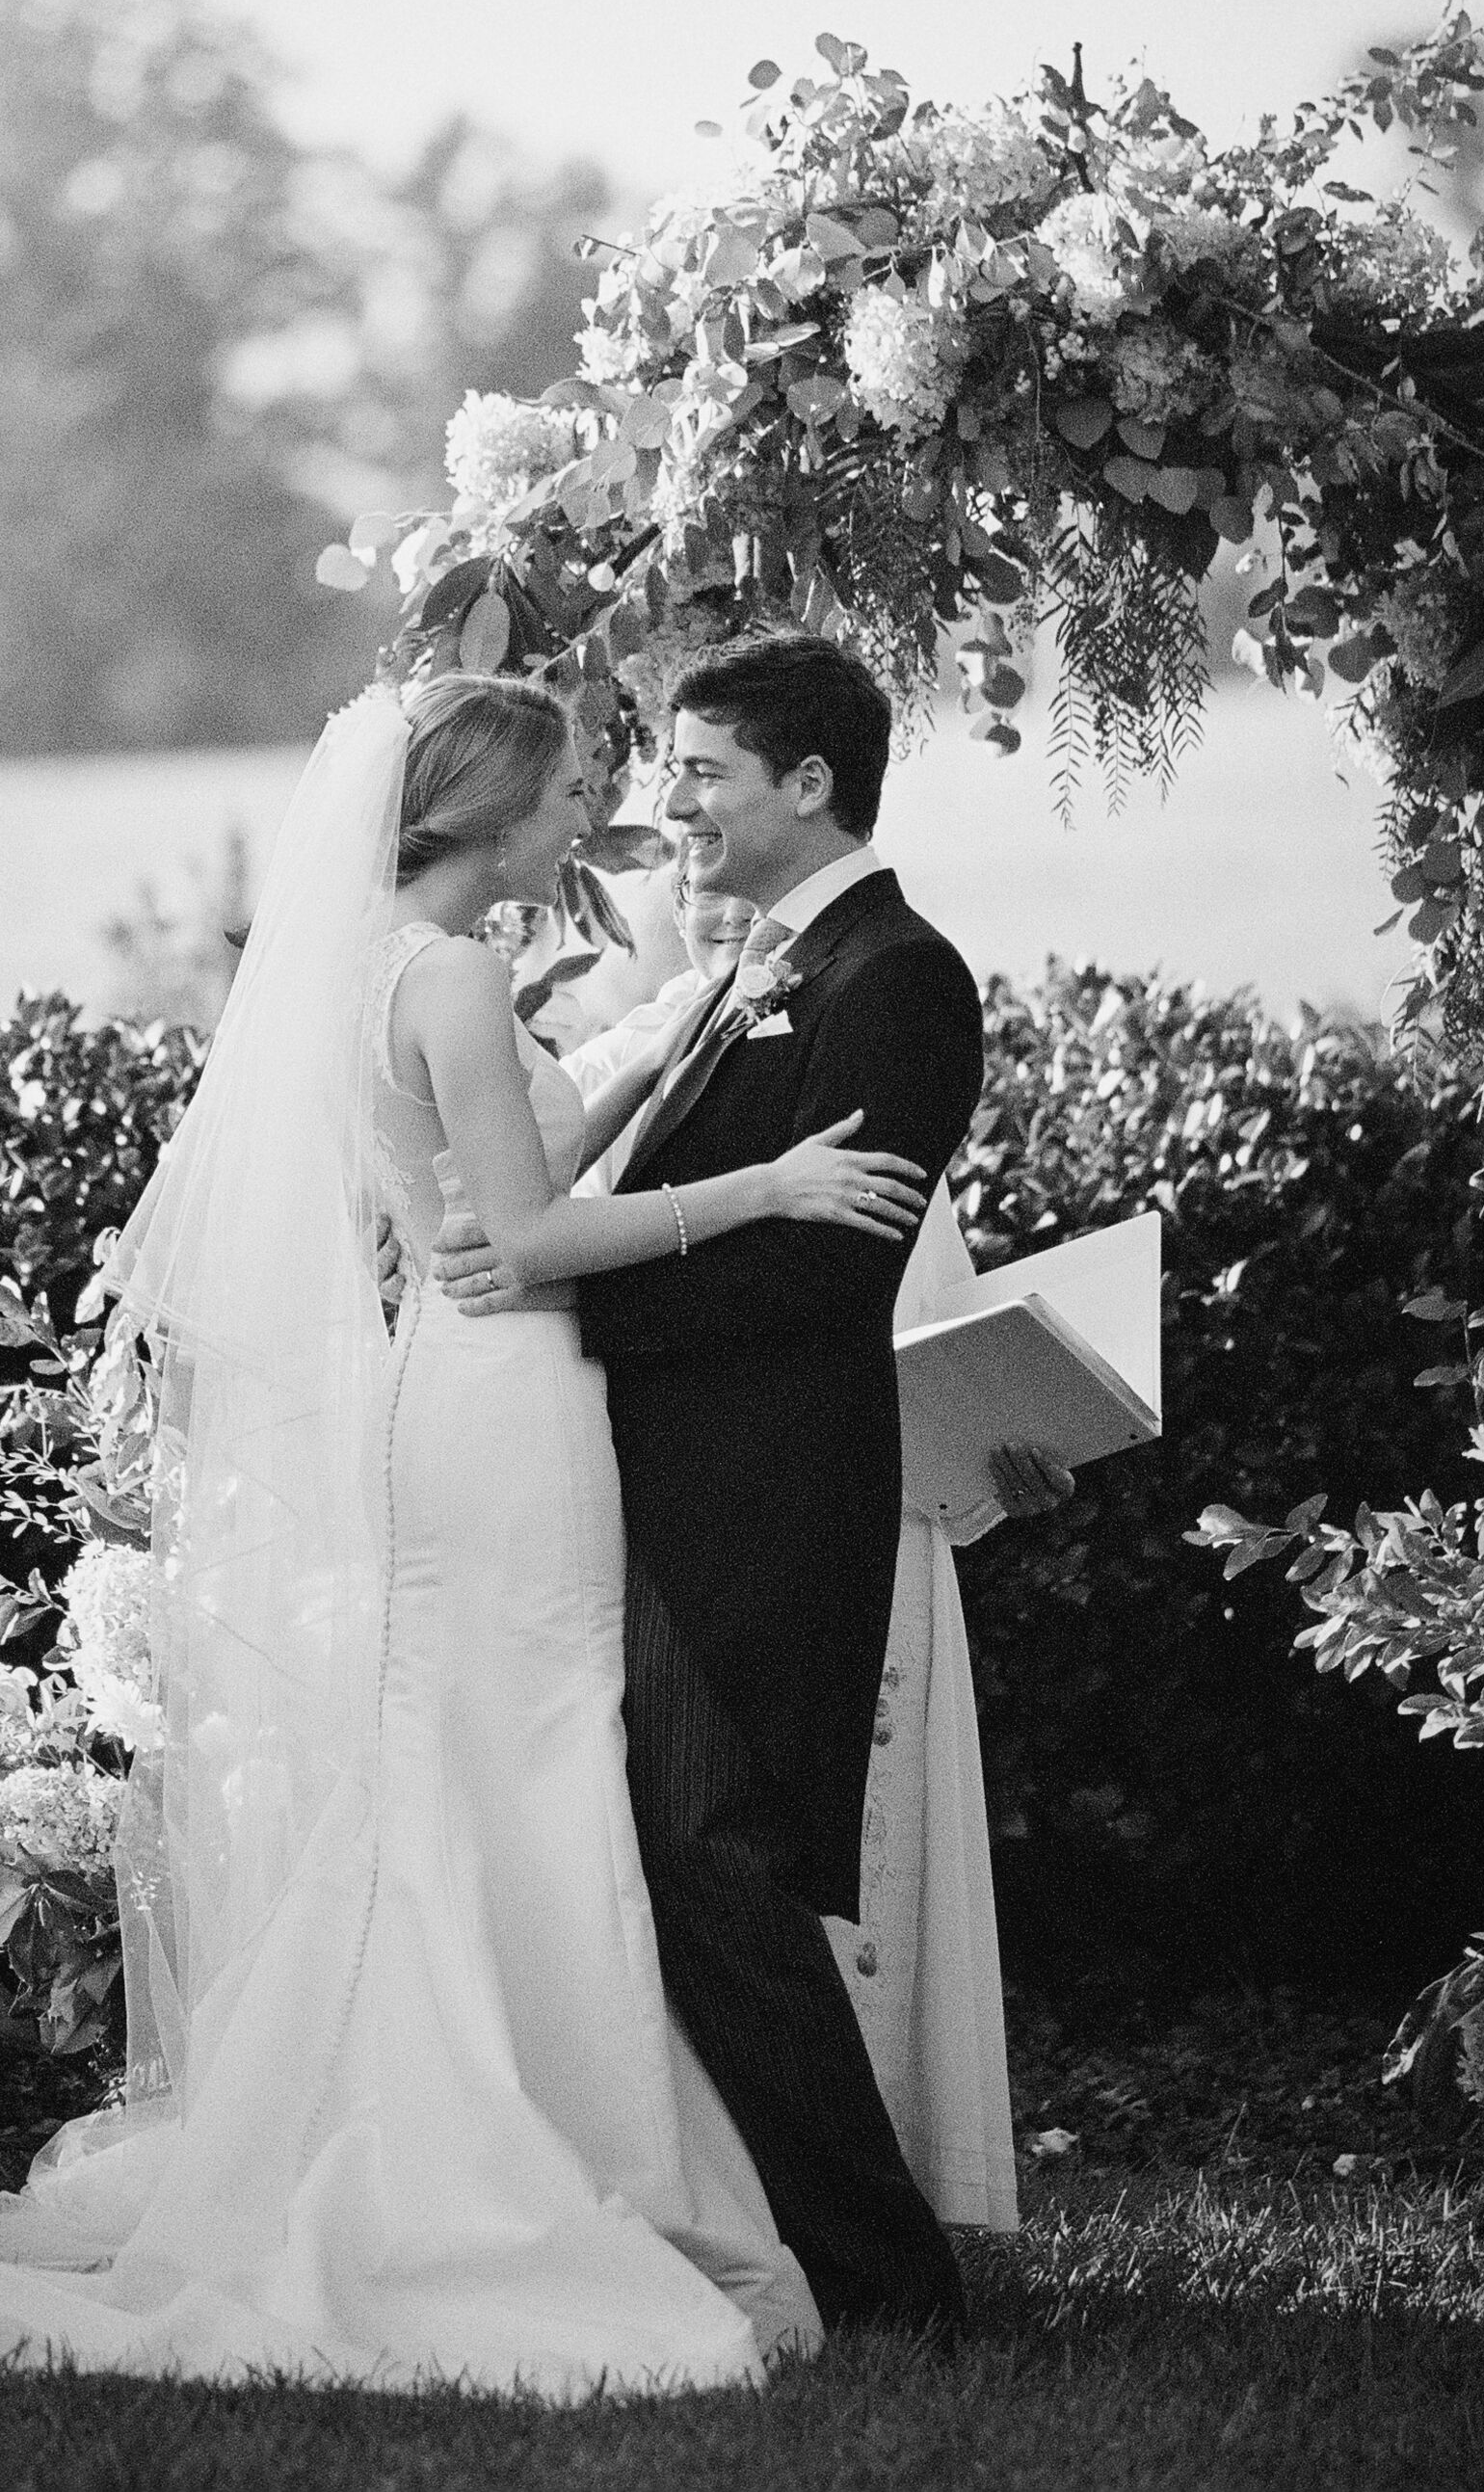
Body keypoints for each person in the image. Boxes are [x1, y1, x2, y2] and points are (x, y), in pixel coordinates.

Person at [0, 674, 927, 2392]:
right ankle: (504, 2141)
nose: (581, 825)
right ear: (480, 808)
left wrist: (675, 1037)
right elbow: (525, 1233)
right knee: (515, 1743)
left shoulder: (378, 959)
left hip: (455, 1386)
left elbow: (500, 1168)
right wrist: (764, 1187)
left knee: (473, 1752)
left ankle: (475, 2101)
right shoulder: (454, 971)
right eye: (558, 801)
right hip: (500, 1402)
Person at [437, 634, 985, 2334]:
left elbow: (822, 1277)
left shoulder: (898, 976)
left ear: (807, 784)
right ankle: (824, 2248)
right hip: (659, 1482)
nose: (661, 800)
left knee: (724, 1864)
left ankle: (891, 2282)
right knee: (707, 1865)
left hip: (765, 1490)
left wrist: (558, 1290)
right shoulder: (763, 964)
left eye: (697, 770)